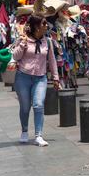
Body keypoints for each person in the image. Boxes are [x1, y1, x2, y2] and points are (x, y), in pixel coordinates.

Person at [12, 15, 60, 147]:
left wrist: (56, 78)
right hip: (23, 77)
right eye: (44, 24)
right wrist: (22, 45)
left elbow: (52, 60)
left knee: (38, 105)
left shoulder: (48, 41)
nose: (46, 26)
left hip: (40, 78)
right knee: (25, 107)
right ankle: (24, 131)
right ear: (36, 26)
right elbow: (15, 57)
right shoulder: (23, 39)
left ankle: (38, 135)